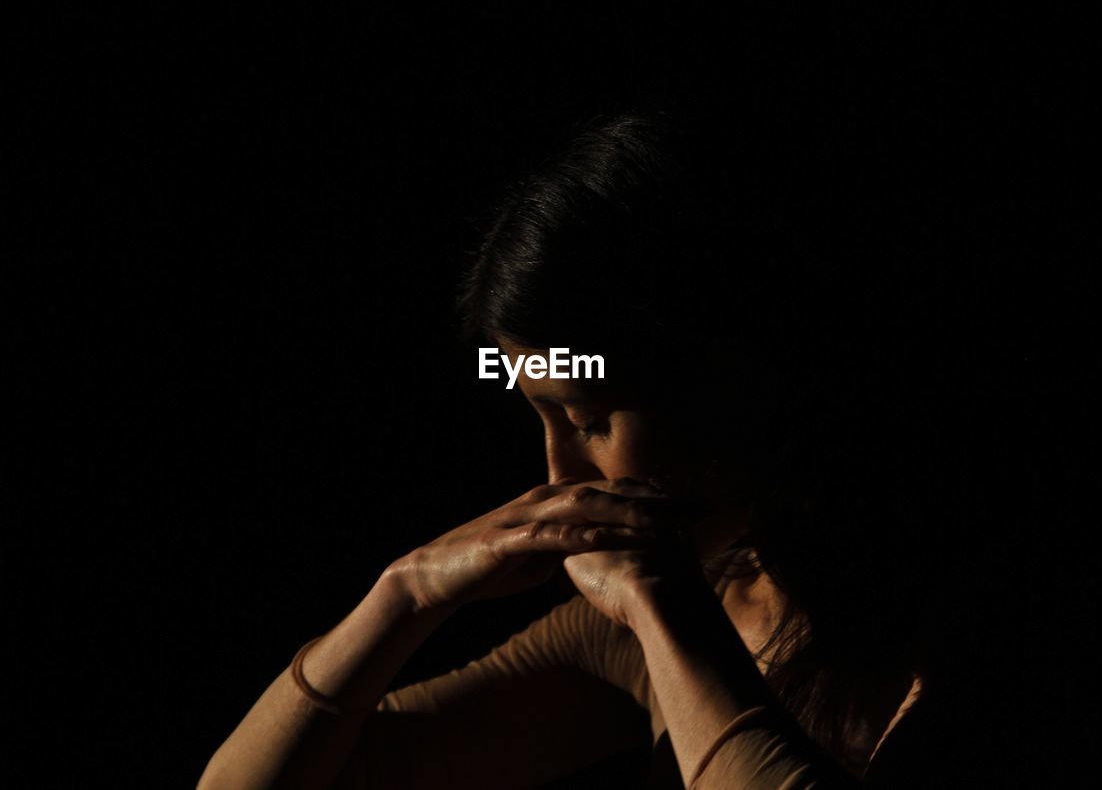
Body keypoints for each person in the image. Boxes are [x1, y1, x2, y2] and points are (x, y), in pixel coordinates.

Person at [197, 106, 964, 789]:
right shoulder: (635, 628)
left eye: (590, 417)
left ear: (730, 372)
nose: (559, 471)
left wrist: (665, 614)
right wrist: (403, 592)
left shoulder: (961, 619)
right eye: (542, 417)